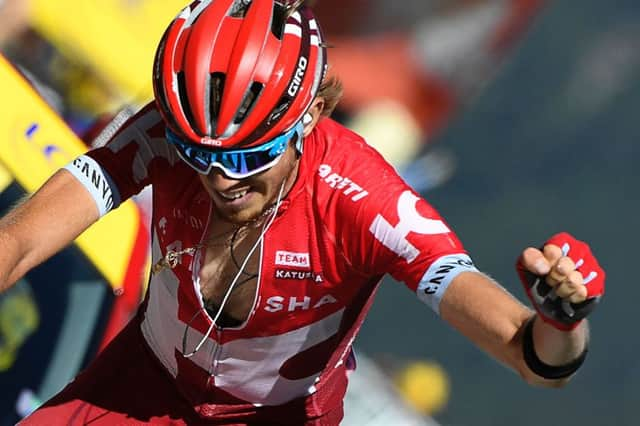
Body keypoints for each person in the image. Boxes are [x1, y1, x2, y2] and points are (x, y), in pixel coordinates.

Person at [2, 0, 604, 424]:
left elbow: (533, 359)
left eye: (252, 155)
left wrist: (562, 322)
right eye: (199, 154)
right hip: (134, 388)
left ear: (312, 113)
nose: (222, 179)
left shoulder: (366, 201)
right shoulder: (163, 134)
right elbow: (20, 242)